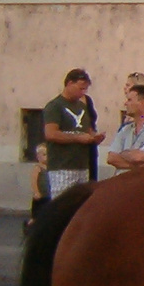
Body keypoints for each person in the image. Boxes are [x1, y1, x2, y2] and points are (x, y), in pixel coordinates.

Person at [43, 68, 105, 199]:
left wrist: (94, 137)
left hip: (82, 166)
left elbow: (86, 130)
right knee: (61, 204)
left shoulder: (82, 107)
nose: (83, 92)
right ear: (70, 83)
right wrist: (77, 138)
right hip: (62, 167)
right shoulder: (55, 106)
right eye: (81, 88)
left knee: (81, 205)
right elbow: (51, 134)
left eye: (85, 89)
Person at [105, 84, 144, 171]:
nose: (125, 103)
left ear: (142, 103)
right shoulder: (125, 130)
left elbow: (139, 157)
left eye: (129, 100)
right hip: (122, 182)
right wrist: (138, 166)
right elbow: (111, 158)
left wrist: (122, 154)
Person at [27, 144, 50, 227]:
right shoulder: (38, 168)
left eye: (48, 154)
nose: (47, 157)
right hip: (39, 195)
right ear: (38, 156)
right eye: (44, 155)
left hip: (48, 195)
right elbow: (34, 181)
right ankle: (29, 226)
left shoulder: (49, 168)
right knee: (36, 214)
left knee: (46, 212)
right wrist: (36, 192)